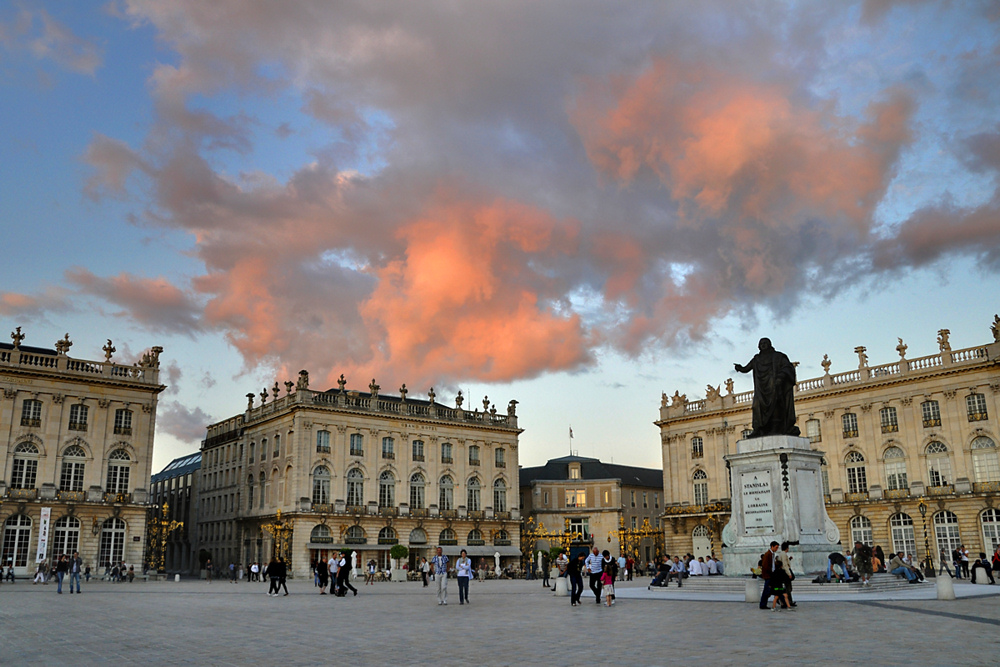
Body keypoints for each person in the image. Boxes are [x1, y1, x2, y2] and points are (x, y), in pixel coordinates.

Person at [759, 541, 780, 609]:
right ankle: (763, 604)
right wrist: (771, 572)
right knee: (767, 590)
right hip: (768, 575)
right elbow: (765, 565)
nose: (777, 549)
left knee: (770, 589)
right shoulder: (768, 554)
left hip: (771, 574)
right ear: (772, 546)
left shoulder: (772, 554)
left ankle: (781, 600)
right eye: (776, 547)